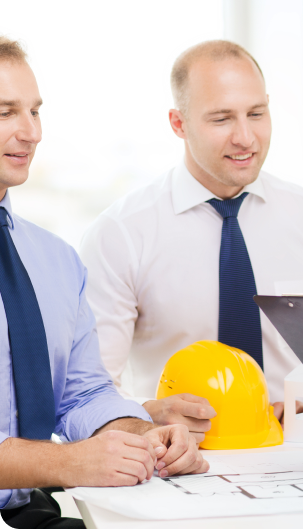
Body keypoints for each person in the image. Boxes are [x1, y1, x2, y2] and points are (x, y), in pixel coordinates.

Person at [79, 40, 303, 435]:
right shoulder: (121, 234)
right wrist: (149, 413)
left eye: (256, 114)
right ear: (179, 123)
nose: (246, 137)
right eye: (222, 119)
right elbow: (88, 390)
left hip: (297, 452)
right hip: (175, 458)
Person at [0, 37, 208, 529]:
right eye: (6, 112)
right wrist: (68, 462)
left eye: (35, 111)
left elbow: (83, 393)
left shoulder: (55, 259)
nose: (31, 131)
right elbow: (68, 457)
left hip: (28, 513)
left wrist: (140, 432)